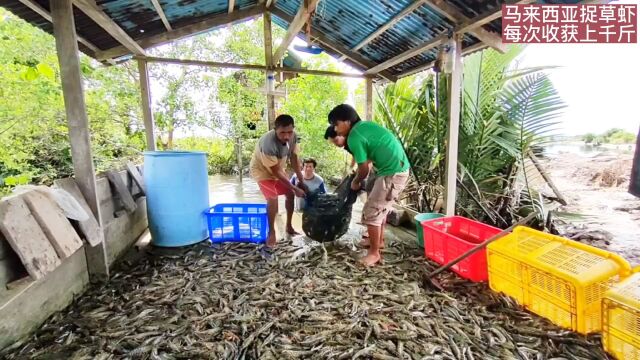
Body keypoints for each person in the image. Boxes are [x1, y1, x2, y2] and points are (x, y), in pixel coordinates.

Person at [328, 104, 409, 266]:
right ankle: (377, 242)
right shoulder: (364, 127)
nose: (335, 129)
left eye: (336, 124)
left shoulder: (354, 137)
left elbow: (364, 168)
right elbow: (371, 155)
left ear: (347, 121)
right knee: (379, 208)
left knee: (372, 210)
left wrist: (356, 181)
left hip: (392, 172)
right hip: (393, 168)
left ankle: (374, 254)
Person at [249, 114, 307, 247]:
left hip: (278, 168)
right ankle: (272, 231)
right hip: (262, 171)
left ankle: (289, 226)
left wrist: (301, 180)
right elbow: (274, 172)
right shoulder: (267, 143)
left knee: (290, 193)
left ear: (293, 130)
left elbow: (294, 159)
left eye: (289, 132)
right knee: (273, 197)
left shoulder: (293, 137)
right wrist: (295, 187)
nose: (286, 136)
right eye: (282, 133)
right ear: (275, 129)